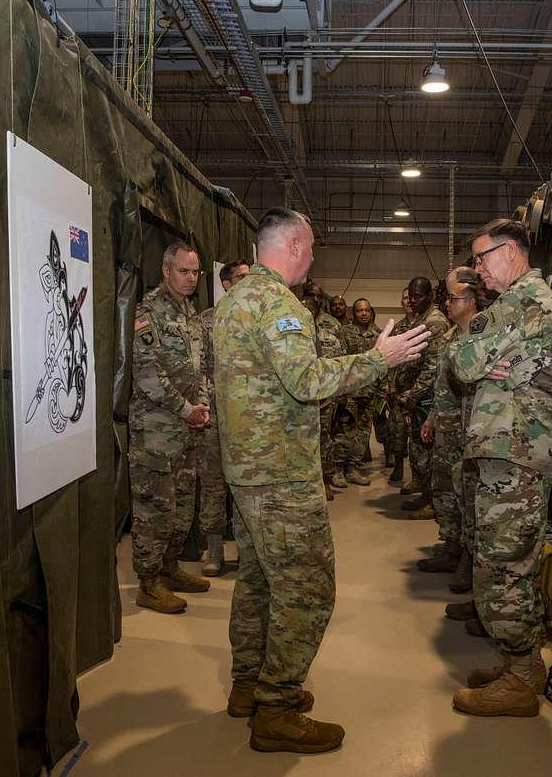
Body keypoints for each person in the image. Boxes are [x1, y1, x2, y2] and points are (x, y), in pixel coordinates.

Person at [213, 207, 431, 753]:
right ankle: (276, 708)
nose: (312, 259)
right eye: (309, 249)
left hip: (246, 470)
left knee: (259, 582)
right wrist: (379, 358)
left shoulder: (233, 300)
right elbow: (307, 381)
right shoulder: (278, 305)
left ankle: (248, 685)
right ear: (292, 245)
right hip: (280, 475)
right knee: (308, 590)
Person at [448, 218, 552, 718]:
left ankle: (521, 680)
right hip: (514, 449)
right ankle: (522, 665)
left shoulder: (523, 303)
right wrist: (506, 365)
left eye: (483, 257)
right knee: (508, 560)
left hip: (516, 452)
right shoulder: (525, 304)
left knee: (502, 567)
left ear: (512, 251)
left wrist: (489, 357)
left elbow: (462, 361)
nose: (477, 269)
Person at [129, 241, 212, 614]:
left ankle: (169, 568)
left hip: (186, 429)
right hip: (157, 430)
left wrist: (203, 404)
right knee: (155, 509)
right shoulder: (149, 312)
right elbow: (147, 372)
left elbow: (201, 367)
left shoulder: (190, 313)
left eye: (195, 272)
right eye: (184, 271)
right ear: (166, 270)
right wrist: (185, 409)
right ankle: (148, 583)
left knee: (181, 507)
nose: (191, 278)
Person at [418, 267, 491, 570]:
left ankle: (469, 560)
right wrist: (431, 418)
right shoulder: (450, 338)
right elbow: (442, 385)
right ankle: (451, 544)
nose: (447, 304)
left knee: (469, 497)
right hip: (447, 427)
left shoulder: (485, 337)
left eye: (453, 298)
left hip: (472, 432)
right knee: (446, 489)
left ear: (472, 301)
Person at [195, 259, 251, 575]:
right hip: (215, 419)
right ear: (226, 283)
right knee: (214, 486)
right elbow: (197, 369)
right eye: (242, 277)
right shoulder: (207, 322)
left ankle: (247, 553)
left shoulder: (258, 320)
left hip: (249, 422)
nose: (248, 282)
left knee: (245, 487)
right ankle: (214, 552)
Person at [399, 276, 451, 516]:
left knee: (428, 449)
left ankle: (433, 502)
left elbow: (433, 366)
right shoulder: (420, 318)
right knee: (418, 447)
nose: (413, 300)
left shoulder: (435, 321)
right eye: (411, 296)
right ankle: (425, 494)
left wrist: (414, 394)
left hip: (427, 397)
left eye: (418, 296)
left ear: (429, 295)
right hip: (418, 397)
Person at [300, 290, 349, 501]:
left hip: (325, 399)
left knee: (324, 439)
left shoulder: (329, 336)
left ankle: (326, 480)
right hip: (300, 399)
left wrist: (340, 393)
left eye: (309, 309)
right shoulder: (293, 336)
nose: (305, 312)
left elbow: (342, 364)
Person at [339, 298, 381, 485]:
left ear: (371, 312)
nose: (363, 314)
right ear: (353, 313)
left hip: (370, 392)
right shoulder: (344, 333)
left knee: (363, 432)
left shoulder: (379, 334)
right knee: (343, 431)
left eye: (366, 310)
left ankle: (353, 468)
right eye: (359, 311)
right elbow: (338, 362)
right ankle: (338, 469)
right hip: (349, 392)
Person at [384, 287, 415, 481]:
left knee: (419, 438)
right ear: (401, 302)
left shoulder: (427, 325)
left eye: (412, 297)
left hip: (418, 392)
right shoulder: (399, 328)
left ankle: (418, 478)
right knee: (396, 431)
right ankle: (398, 468)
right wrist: (389, 384)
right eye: (405, 298)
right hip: (399, 391)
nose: (409, 301)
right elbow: (391, 360)